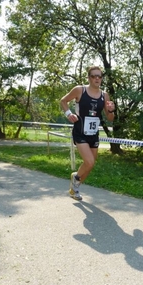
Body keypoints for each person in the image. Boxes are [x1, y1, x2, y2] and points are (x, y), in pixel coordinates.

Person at [60, 66, 115, 200]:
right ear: (88, 78)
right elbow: (63, 101)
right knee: (89, 162)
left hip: (93, 133)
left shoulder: (105, 95)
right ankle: (76, 181)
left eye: (99, 76)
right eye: (93, 76)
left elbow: (110, 119)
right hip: (80, 130)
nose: (97, 78)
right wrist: (69, 114)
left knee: (91, 164)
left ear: (102, 78)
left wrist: (111, 110)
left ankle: (75, 186)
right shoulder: (80, 90)